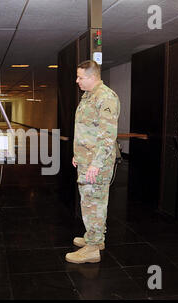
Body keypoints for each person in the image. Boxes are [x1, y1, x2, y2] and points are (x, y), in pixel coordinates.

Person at [65, 60, 120, 264]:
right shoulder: (89, 96)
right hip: (86, 159)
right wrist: (78, 154)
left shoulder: (105, 97)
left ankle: (92, 249)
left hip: (97, 163)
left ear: (92, 76)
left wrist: (96, 164)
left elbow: (107, 136)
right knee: (91, 201)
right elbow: (87, 130)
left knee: (93, 203)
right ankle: (95, 239)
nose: (77, 80)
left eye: (80, 77)